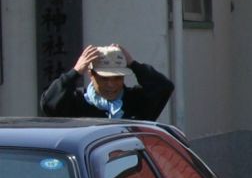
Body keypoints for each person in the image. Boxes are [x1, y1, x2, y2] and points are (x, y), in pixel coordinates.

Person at [40, 44, 174, 121]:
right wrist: (75, 72)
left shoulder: (135, 101)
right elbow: (48, 104)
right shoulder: (77, 102)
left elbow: (163, 87)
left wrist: (134, 65)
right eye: (104, 78)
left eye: (117, 78)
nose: (111, 84)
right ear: (91, 75)